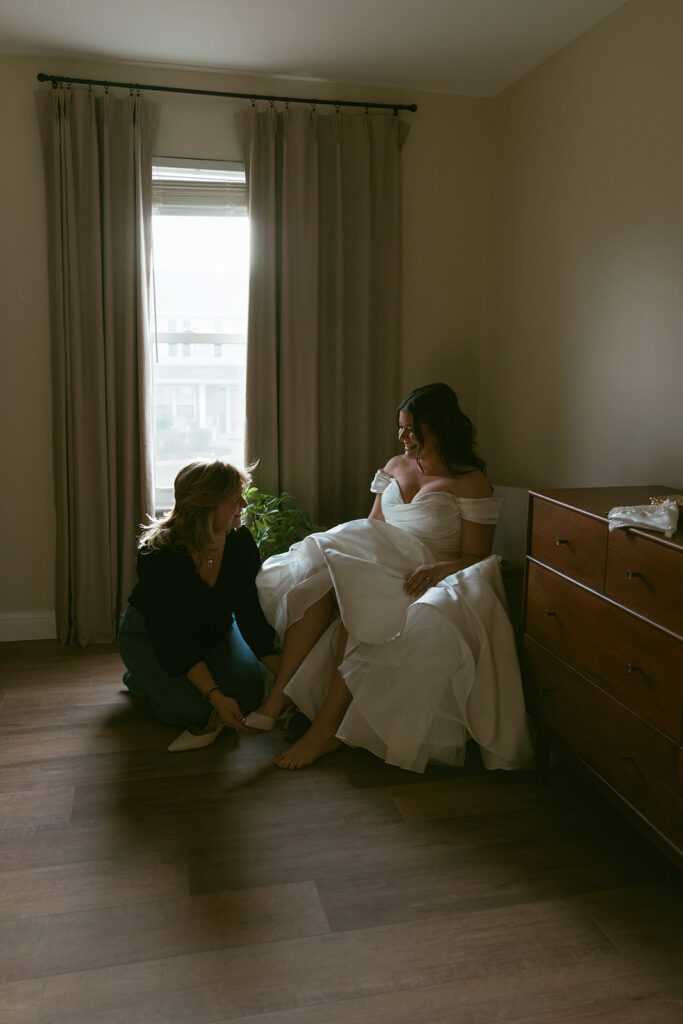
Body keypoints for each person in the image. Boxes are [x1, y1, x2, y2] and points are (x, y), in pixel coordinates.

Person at [245, 382, 534, 773]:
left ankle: (325, 731)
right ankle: (278, 699)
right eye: (401, 427)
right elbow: (372, 526)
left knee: (359, 602)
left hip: (429, 572)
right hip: (382, 557)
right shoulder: (395, 465)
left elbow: (477, 556)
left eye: (412, 429)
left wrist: (435, 570)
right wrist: (354, 560)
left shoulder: (470, 481)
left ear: (439, 428)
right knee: (317, 580)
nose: (403, 437)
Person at [119, 460, 280, 750]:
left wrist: (288, 679)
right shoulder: (158, 554)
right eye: (235, 498)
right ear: (207, 505)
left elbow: (249, 615)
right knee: (190, 711)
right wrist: (215, 694)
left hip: (214, 633)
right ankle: (138, 679)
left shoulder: (240, 542)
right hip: (152, 636)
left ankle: (184, 682)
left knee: (250, 696)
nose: (243, 503)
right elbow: (173, 637)